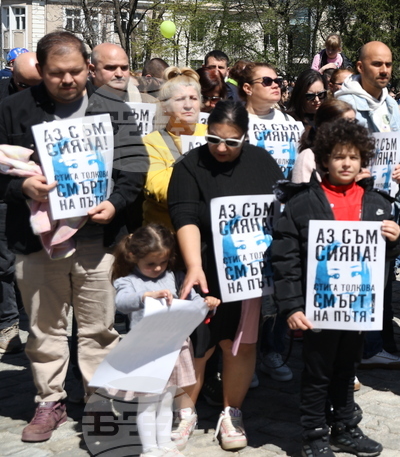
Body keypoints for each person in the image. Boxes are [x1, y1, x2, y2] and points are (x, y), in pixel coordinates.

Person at [2, 32, 148, 442]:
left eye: (75, 72)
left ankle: (100, 400)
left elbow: (135, 168)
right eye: (56, 73)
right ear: (40, 70)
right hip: (37, 240)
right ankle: (49, 400)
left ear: (88, 67)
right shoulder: (13, 109)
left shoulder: (114, 108)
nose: (67, 80)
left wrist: (116, 203)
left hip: (97, 239)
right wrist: (21, 187)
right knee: (44, 325)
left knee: (99, 326)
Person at [271, 118, 396, 457]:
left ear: (362, 160)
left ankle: (344, 427)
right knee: (317, 372)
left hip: (356, 307)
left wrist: (394, 240)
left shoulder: (376, 203)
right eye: (339, 156)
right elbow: (285, 258)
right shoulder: (302, 204)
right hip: (319, 307)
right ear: (325, 159)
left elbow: (382, 258)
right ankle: (313, 435)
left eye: (353, 157)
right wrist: (291, 306)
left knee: (346, 369)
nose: (346, 163)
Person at [170, 101, 284, 450]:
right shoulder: (189, 165)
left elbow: (278, 212)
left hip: (246, 274)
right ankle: (185, 412)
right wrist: (194, 265)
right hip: (203, 269)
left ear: (245, 137)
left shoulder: (262, 162)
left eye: (231, 142)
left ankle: (231, 413)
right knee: (195, 347)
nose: (221, 148)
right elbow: (185, 216)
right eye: (214, 139)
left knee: (240, 344)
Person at [111, 223, 219, 454]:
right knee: (148, 403)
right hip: (146, 350)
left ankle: (165, 443)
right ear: (133, 256)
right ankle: (150, 448)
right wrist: (146, 296)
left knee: (167, 400)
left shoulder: (176, 277)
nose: (158, 268)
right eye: (151, 264)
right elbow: (121, 302)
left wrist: (208, 304)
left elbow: (194, 302)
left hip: (174, 348)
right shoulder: (128, 280)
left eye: (163, 261)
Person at [334, 41, 400, 370]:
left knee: (383, 279)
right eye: (377, 64)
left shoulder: (391, 104)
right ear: (360, 67)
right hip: (356, 203)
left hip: (387, 200)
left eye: (388, 64)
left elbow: (398, 150)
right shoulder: (345, 105)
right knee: (357, 278)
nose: (384, 70)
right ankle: (353, 352)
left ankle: (375, 345)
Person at [0, 51, 40, 355]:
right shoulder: (4, 102)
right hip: (7, 191)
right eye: (24, 85)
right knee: (4, 263)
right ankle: (8, 324)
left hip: (43, 194)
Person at [142, 68, 208, 231]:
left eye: (193, 98)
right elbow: (159, 189)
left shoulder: (214, 135)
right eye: (179, 99)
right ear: (164, 106)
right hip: (166, 236)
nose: (188, 105)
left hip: (207, 235)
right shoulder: (150, 143)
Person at [290, 100, 356, 184]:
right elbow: (302, 190)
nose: (353, 128)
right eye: (346, 123)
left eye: (354, 122)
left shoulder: (357, 154)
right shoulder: (309, 157)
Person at [232, 62, 296, 124]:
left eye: (277, 81)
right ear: (248, 88)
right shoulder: (231, 121)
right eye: (267, 81)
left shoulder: (288, 121)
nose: (276, 85)